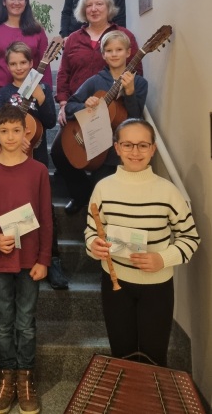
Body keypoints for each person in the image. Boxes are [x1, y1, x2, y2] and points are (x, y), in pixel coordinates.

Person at [85, 118, 200, 366]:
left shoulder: (168, 191)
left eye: (142, 145)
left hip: (157, 287)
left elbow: (190, 238)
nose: (135, 152)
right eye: (127, 144)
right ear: (116, 147)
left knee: (154, 356)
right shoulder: (103, 188)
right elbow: (91, 231)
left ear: (153, 149)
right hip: (115, 286)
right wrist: (93, 246)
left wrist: (163, 258)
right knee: (121, 354)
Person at [0, 104, 53, 414]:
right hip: (0, 261)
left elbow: (46, 216)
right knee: (4, 324)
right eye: (3, 131)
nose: (10, 136)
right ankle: (7, 376)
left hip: (31, 260)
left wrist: (44, 258)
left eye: (16, 131)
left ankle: (25, 377)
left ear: (25, 133)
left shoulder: (39, 171)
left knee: (26, 324)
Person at [0, 42, 67, 292]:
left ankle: (52, 260)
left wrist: (42, 97)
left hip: (34, 160)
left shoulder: (42, 88)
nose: (19, 67)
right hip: (7, 162)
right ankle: (9, 260)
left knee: (44, 210)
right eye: (13, 63)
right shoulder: (5, 93)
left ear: (32, 63)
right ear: (8, 66)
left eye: (23, 62)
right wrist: (10, 137)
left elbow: (50, 122)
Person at [52, 30, 147, 215]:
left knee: (118, 202)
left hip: (119, 152)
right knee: (98, 198)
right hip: (96, 148)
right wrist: (85, 105)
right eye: (109, 51)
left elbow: (135, 120)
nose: (114, 54)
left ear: (128, 53)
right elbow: (70, 106)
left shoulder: (139, 83)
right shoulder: (95, 81)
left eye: (119, 50)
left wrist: (130, 94)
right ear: (103, 55)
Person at [56, 0, 142, 129]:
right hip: (78, 108)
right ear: (84, 10)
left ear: (108, 8)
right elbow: (63, 72)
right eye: (89, 5)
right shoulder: (73, 38)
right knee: (62, 150)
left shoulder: (124, 35)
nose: (94, 9)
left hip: (113, 112)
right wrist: (64, 104)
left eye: (99, 4)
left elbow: (136, 70)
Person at [0, 0, 52, 118]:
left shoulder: (38, 31)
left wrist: (45, 99)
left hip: (29, 98)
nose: (16, 2)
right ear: (3, 1)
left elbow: (45, 69)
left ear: (26, 2)